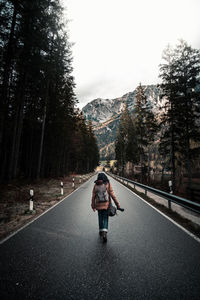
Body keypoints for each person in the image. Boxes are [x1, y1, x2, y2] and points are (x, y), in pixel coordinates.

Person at [91, 173, 120, 242]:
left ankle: (101, 231)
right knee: (106, 218)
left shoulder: (95, 185)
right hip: (106, 205)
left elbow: (93, 197)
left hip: (98, 205)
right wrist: (117, 204)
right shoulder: (107, 184)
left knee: (100, 218)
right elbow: (112, 195)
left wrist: (93, 205)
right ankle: (104, 233)